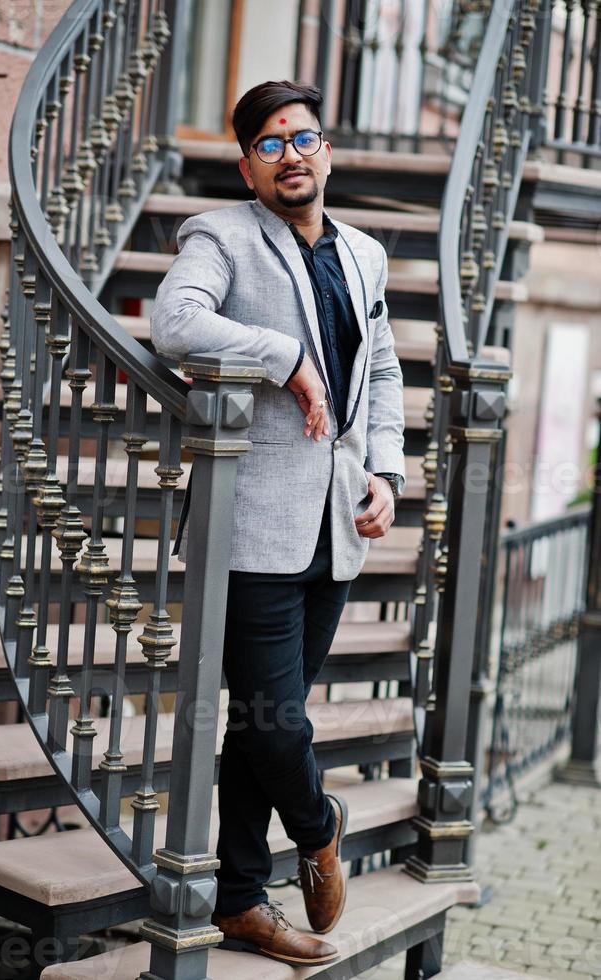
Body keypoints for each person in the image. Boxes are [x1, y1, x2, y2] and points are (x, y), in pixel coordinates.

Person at [151, 79, 405, 967]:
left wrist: (387, 469)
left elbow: (382, 375)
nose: (290, 154)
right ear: (249, 164)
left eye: (303, 137)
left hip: (336, 520)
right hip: (251, 519)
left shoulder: (365, 255)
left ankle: (241, 901)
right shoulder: (221, 236)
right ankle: (320, 823)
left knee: (258, 726)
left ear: (325, 149)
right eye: (269, 143)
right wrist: (284, 354)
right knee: (277, 717)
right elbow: (172, 323)